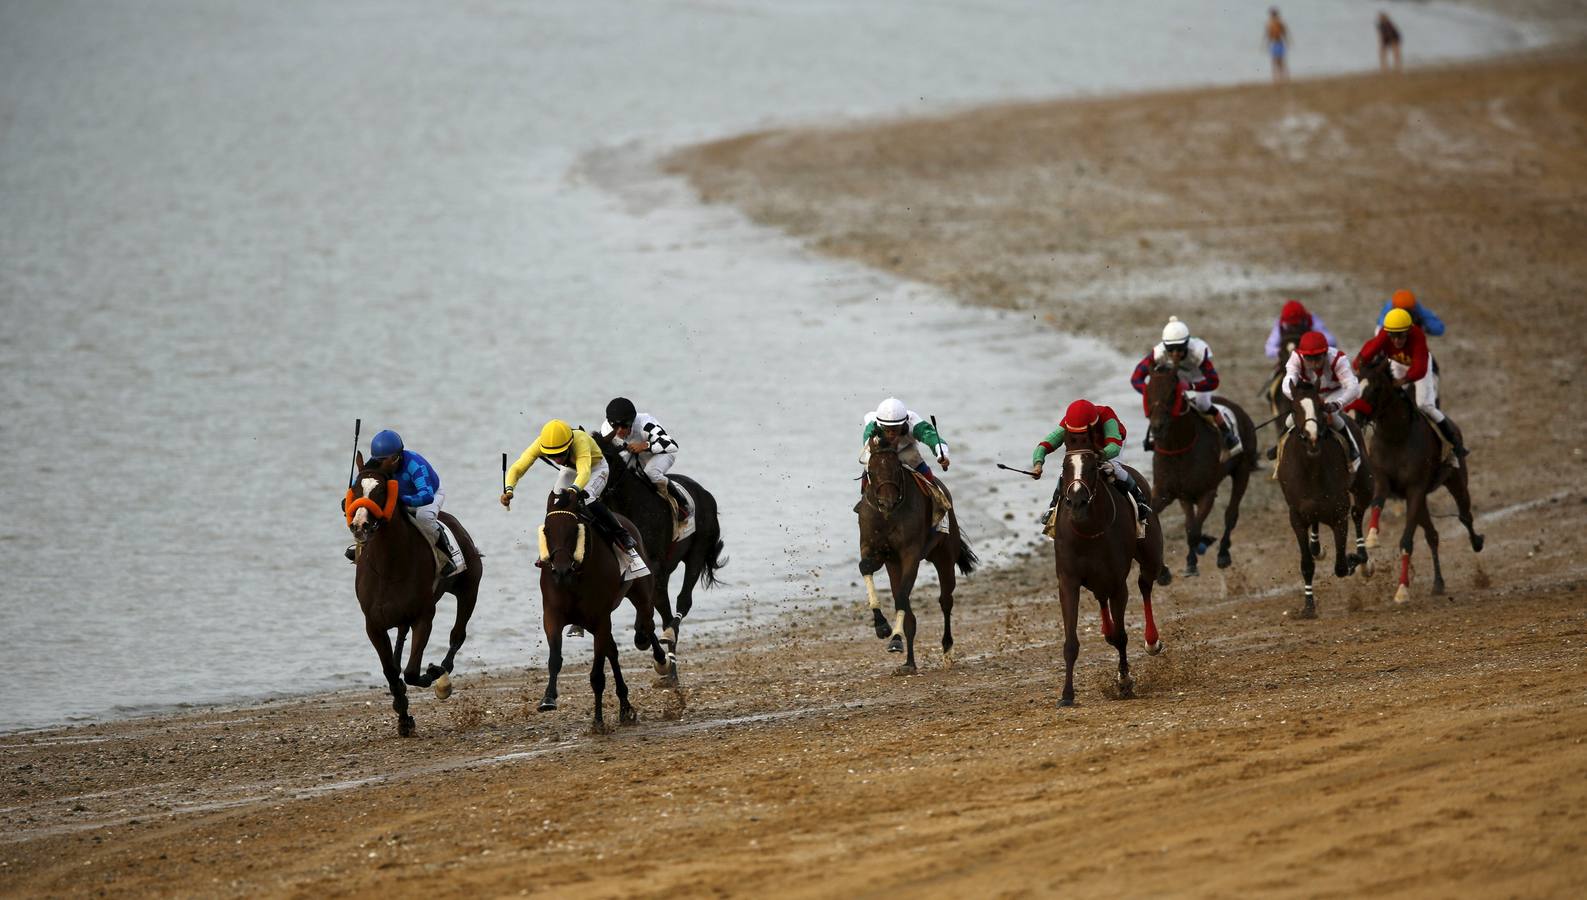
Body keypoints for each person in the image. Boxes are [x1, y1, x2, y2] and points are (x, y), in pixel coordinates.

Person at [500, 418, 648, 575]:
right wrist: (509, 490)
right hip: (571, 469)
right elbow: (517, 468)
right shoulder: (541, 443)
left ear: (569, 445)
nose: (557, 459)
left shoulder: (580, 440)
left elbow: (584, 472)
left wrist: (573, 491)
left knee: (587, 498)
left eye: (561, 454)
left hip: (596, 469)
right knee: (556, 503)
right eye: (552, 456)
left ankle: (622, 534)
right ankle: (549, 548)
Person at [346, 430, 465, 578]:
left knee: (424, 518)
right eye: (378, 460)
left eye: (384, 460)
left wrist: (401, 500)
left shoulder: (414, 464)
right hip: (398, 497)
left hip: (429, 494)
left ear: (396, 457)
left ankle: (446, 555)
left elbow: (426, 496)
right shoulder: (377, 463)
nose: (380, 465)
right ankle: (361, 547)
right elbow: (361, 485)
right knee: (370, 515)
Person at [1355, 308, 1468, 461]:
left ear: (1408, 331)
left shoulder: (1418, 336)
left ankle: (1453, 444)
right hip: (1398, 363)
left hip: (1419, 366)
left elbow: (1420, 368)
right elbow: (1370, 349)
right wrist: (1358, 364)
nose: (1396, 341)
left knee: (1424, 405)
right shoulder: (1384, 333)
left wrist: (1405, 380)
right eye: (1392, 336)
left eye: (1400, 336)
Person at [1030, 399, 1152, 527]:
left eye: (1083, 432)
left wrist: (1098, 456)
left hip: (1110, 442)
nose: (1080, 435)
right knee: (1069, 471)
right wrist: (1038, 464)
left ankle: (1139, 500)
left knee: (1113, 467)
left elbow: (1114, 447)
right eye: (1075, 433)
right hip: (1084, 448)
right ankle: (1053, 508)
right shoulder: (1068, 422)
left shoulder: (1106, 415)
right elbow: (1044, 445)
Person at [1130, 316, 1241, 453]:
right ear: (1165, 346)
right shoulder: (1158, 353)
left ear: (1187, 343)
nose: (1175, 354)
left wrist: (1191, 386)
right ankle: (1155, 436)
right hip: (1175, 380)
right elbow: (1136, 378)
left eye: (1180, 349)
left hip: (1198, 379)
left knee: (1203, 404)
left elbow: (1213, 381)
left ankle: (1226, 432)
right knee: (1160, 408)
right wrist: (1150, 392)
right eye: (1171, 349)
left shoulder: (1198, 352)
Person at [1282, 332, 1363, 471]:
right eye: (1309, 359)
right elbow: (1287, 384)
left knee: (1331, 416)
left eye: (1318, 358)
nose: (1313, 364)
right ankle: (1280, 448)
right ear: (1303, 355)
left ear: (1325, 354)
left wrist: (1337, 403)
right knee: (1290, 420)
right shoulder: (1296, 358)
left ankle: (1352, 449)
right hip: (1309, 395)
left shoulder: (1338, 359)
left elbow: (1354, 387)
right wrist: (1298, 399)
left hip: (1335, 392)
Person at [600, 397, 684, 522]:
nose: (619, 431)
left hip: (661, 453)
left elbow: (672, 445)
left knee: (651, 472)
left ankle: (681, 503)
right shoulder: (606, 429)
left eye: (624, 426)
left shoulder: (645, 424)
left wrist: (646, 446)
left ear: (632, 422)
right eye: (615, 426)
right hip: (634, 455)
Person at [859, 397, 950, 480]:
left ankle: (935, 493)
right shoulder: (872, 426)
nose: (891, 434)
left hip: (905, 449)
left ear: (904, 424)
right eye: (887, 430)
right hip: (880, 450)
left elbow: (933, 438)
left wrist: (942, 455)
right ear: (881, 426)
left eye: (895, 429)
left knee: (913, 459)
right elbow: (868, 448)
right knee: (868, 470)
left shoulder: (914, 424)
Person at [1266, 299, 1338, 360]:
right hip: (1286, 361)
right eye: (1291, 325)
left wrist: (1311, 347)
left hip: (1311, 358)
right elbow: (1269, 349)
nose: (1294, 328)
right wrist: (1282, 352)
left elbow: (1332, 341)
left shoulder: (1312, 320)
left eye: (1296, 324)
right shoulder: (1280, 324)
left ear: (1304, 319)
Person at [1375, 289, 1446, 336]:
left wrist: (1424, 327)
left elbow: (1439, 328)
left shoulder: (1417, 309)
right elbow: (1379, 331)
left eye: (1408, 312)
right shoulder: (1388, 311)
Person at [1266, 8, 1290, 83]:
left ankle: (1283, 78)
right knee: (1274, 61)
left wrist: (1287, 42)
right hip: (1274, 43)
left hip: (1279, 43)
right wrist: (1267, 44)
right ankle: (1276, 79)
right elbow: (1268, 35)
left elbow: (1285, 33)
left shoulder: (1279, 23)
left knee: (1281, 62)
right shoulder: (1269, 24)